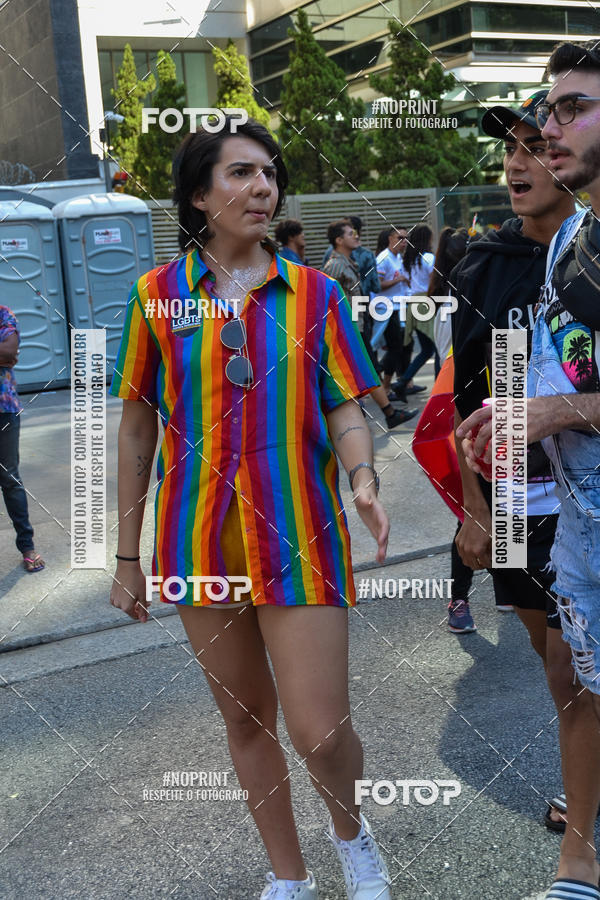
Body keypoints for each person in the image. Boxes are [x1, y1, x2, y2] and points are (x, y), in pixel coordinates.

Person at [109, 117, 393, 900]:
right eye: (239, 173)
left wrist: (362, 476)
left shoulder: (317, 295)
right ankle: (288, 876)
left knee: (322, 730)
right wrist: (127, 557)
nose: (261, 187)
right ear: (199, 196)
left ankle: (351, 835)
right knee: (245, 721)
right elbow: (136, 428)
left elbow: (344, 409)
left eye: (268, 174)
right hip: (195, 542)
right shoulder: (154, 298)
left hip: (300, 531)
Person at [459, 42, 600, 900]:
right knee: (571, 673)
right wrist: (478, 507)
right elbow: (467, 391)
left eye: (560, 116)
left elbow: (566, 393)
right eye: (518, 141)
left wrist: (559, 410)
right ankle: (580, 835)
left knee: (571, 671)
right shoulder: (516, 260)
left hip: (567, 489)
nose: (532, 150)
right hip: (538, 501)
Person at [323, 220, 416, 428]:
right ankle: (387, 413)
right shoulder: (335, 265)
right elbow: (325, 298)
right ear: (339, 240)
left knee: (366, 368)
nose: (356, 236)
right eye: (350, 234)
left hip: (357, 324)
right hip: (348, 327)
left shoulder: (350, 261)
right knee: (367, 368)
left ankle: (381, 412)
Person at [0, 305, 44, 573]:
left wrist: (5, 354)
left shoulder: (4, 314)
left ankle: (27, 546)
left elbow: (8, 352)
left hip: (3, 409)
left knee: (9, 478)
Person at [391, 225, 436, 401]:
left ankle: (402, 381)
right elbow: (434, 282)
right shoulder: (429, 258)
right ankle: (440, 386)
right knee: (435, 347)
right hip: (426, 302)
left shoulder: (408, 259)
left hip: (412, 304)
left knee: (426, 349)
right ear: (427, 239)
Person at [376, 227, 412, 395]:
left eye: (406, 238)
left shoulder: (397, 257)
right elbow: (377, 284)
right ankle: (382, 383)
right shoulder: (384, 259)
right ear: (390, 238)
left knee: (398, 347)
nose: (404, 242)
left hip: (397, 307)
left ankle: (387, 385)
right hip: (385, 308)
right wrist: (399, 279)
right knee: (395, 347)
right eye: (400, 238)